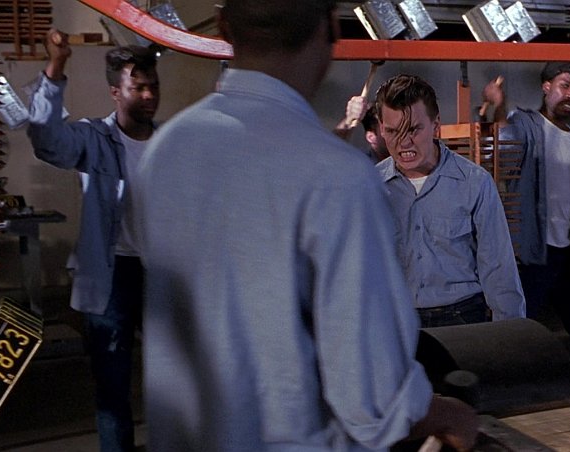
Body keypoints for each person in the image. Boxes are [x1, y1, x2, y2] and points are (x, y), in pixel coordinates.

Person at [134, 1, 476, 451]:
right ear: (331, 26)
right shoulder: (337, 177)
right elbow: (372, 399)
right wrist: (449, 414)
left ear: (222, 25)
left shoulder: (166, 153)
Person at [26, 30, 159, 452]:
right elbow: (46, 141)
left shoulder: (169, 142)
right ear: (115, 93)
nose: (149, 95)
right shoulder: (95, 138)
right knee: (113, 384)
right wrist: (56, 66)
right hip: (111, 272)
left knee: (171, 382)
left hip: (161, 273)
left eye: (153, 86)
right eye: (138, 87)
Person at [374, 74, 525, 328]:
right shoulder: (371, 187)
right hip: (393, 319)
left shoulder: (474, 183)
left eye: (413, 129)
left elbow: (499, 270)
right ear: (381, 128)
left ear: (435, 126)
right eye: (392, 131)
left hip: (460, 318)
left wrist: (510, 337)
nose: (403, 142)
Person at [482, 62, 570, 374]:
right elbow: (502, 157)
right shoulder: (525, 124)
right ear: (546, 86)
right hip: (533, 248)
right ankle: (506, 388)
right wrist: (499, 107)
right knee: (516, 328)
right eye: (565, 85)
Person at [334, 95, 390, 163]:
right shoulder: (359, 163)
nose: (400, 135)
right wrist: (348, 121)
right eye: (390, 130)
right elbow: (331, 152)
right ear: (371, 137)